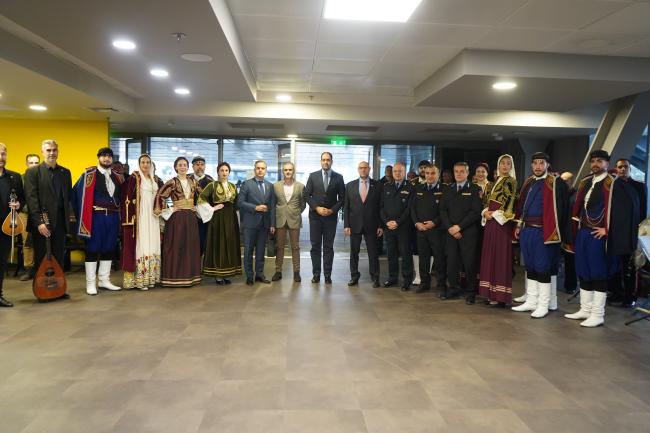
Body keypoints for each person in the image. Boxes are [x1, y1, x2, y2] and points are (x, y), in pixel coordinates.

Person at [565, 150, 639, 327]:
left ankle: (598, 315)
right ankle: (585, 309)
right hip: (583, 232)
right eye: (593, 161)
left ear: (607, 163)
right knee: (583, 270)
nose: (595, 164)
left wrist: (608, 230)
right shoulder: (586, 181)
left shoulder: (614, 184)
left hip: (598, 236)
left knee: (598, 273)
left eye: (600, 161)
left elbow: (625, 213)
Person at [512, 152, 568, 318]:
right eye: (535, 163)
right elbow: (522, 205)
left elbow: (563, 210)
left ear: (547, 165)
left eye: (541, 163)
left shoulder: (556, 182)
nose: (538, 166)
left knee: (543, 267)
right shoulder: (529, 181)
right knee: (530, 266)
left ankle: (544, 304)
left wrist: (556, 232)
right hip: (527, 229)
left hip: (544, 231)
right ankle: (531, 301)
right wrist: (519, 224)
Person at [24, 139, 72, 301]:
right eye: (48, 150)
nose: (52, 153)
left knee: (58, 258)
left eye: (54, 150)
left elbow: (67, 199)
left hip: (60, 223)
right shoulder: (33, 172)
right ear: (43, 152)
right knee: (41, 258)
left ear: (58, 151)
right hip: (42, 224)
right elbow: (32, 200)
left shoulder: (65, 172)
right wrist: (39, 222)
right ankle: (42, 292)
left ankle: (58, 290)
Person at [71, 147, 123, 295]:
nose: (106, 158)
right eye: (103, 156)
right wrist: (82, 216)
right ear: (98, 157)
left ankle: (104, 281)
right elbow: (75, 195)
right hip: (96, 217)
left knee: (109, 248)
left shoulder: (118, 177)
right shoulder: (89, 174)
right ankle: (90, 283)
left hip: (113, 217)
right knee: (92, 249)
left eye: (109, 156)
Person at [154, 156, 202, 287]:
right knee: (176, 245)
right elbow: (160, 196)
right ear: (175, 167)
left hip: (190, 217)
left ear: (188, 167)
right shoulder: (172, 182)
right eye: (180, 165)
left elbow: (203, 196)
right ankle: (173, 277)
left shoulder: (194, 182)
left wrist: (197, 207)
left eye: (184, 165)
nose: (182, 167)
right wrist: (170, 209)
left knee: (190, 246)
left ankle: (190, 277)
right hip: (177, 218)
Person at [440, 162, 482, 304]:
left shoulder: (475, 189)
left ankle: (471, 292)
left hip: (468, 233)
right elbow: (442, 210)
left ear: (467, 173)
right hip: (451, 232)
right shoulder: (448, 189)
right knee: (452, 262)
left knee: (469, 263)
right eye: (456, 171)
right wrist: (450, 228)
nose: (458, 174)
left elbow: (475, 212)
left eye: (461, 171)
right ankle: (453, 288)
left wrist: (459, 227)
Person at [478, 155, 517, 306]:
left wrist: (493, 214)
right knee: (490, 256)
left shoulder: (511, 182)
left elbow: (511, 204)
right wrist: (485, 212)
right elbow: (486, 201)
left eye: (508, 164)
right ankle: (490, 294)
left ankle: (500, 296)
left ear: (511, 166)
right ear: (498, 165)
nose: (505, 166)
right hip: (490, 222)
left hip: (501, 224)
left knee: (500, 258)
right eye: (502, 163)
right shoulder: (494, 182)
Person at [121, 154, 163, 290]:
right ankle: (139, 280)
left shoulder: (155, 179)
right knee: (142, 244)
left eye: (148, 162)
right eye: (143, 162)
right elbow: (126, 198)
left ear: (151, 164)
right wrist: (129, 218)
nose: (145, 165)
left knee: (152, 243)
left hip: (153, 217)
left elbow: (161, 197)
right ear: (139, 164)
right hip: (141, 216)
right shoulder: (134, 178)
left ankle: (150, 278)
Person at [303, 152, 345, 284]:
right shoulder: (313, 176)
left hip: (330, 218)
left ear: (331, 161)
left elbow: (342, 199)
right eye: (323, 160)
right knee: (315, 246)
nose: (325, 162)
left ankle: (327, 275)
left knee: (328, 247)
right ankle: (316, 274)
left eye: (328, 160)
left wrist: (332, 210)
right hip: (315, 217)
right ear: (320, 161)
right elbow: (306, 195)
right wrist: (316, 208)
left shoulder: (339, 177)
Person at [197, 161, 242, 284]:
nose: (224, 173)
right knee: (218, 244)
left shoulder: (233, 186)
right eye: (222, 170)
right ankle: (218, 275)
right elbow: (201, 199)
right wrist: (212, 208)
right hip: (217, 219)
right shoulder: (212, 185)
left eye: (226, 170)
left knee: (229, 243)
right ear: (218, 172)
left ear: (229, 172)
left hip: (230, 218)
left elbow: (237, 203)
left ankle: (227, 274)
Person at [612, 158, 647, 307]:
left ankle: (630, 296)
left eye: (625, 167)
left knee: (630, 267)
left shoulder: (639, 186)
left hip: (631, 233)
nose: (622, 169)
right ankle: (616, 293)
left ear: (630, 169)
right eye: (620, 167)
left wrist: (639, 232)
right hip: (615, 233)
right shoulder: (612, 185)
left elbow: (643, 211)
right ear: (616, 169)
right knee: (615, 266)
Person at [344, 161, 383, 288]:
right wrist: (346, 225)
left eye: (365, 168)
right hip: (354, 225)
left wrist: (380, 225)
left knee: (373, 253)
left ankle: (375, 277)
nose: (363, 170)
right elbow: (346, 207)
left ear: (369, 169)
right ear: (358, 169)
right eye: (361, 168)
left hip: (372, 225)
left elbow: (381, 207)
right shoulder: (350, 185)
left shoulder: (378, 185)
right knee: (354, 253)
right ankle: (354, 276)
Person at [238, 160, 276, 285]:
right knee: (248, 251)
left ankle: (259, 274)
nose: (260, 170)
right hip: (250, 223)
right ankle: (249, 276)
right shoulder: (246, 184)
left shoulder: (270, 186)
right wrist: (255, 207)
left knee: (261, 251)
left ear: (266, 170)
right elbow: (240, 203)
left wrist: (272, 224)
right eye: (258, 168)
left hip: (264, 224)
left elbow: (272, 206)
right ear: (254, 170)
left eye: (263, 168)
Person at [410, 163, 446, 294]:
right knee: (423, 258)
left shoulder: (444, 189)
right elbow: (412, 208)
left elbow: (446, 211)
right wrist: (417, 223)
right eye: (427, 173)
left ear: (438, 174)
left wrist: (434, 223)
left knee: (439, 258)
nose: (430, 176)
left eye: (433, 173)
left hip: (437, 230)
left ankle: (441, 284)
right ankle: (424, 283)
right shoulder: (418, 188)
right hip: (421, 230)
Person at [381, 162, 414, 291]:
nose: (397, 173)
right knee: (391, 254)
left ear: (404, 172)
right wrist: (386, 222)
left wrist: (398, 222)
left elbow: (409, 209)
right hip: (389, 227)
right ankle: (392, 278)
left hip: (403, 227)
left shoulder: (410, 187)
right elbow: (381, 207)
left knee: (405, 254)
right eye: (395, 171)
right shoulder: (386, 187)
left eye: (400, 171)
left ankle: (407, 280)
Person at [0, 143, 25, 307]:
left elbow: (22, 198)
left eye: (3, 154)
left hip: (6, 225)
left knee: (1, 262)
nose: (1, 157)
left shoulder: (14, 177)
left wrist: (18, 205)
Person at [272, 162, 305, 282]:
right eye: (286, 170)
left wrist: (296, 212)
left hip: (294, 219)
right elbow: (273, 203)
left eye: (290, 170)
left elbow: (303, 204)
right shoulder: (276, 186)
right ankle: (278, 271)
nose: (288, 172)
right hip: (280, 219)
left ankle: (296, 272)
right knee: (279, 246)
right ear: (283, 171)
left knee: (295, 247)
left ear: (293, 171)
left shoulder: (300, 186)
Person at [18, 154, 40, 281]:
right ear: (26, 164)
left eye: (36, 162)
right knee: (27, 242)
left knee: (42, 241)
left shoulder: (44, 177)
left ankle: (41, 268)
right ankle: (29, 269)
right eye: (31, 163)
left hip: (40, 213)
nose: (33, 165)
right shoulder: (20, 178)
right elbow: (19, 197)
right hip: (25, 213)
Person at [189, 155, 214, 256]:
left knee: (203, 240)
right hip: (190, 214)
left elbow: (213, 200)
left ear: (205, 166)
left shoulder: (210, 181)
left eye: (202, 164)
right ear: (193, 167)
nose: (199, 167)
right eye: (197, 164)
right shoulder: (187, 178)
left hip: (204, 217)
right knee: (190, 240)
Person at [410, 160, 429, 286]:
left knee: (430, 251)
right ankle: (418, 275)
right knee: (416, 249)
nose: (423, 170)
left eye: (425, 167)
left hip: (431, 222)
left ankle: (426, 275)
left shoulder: (436, 182)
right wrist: (416, 221)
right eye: (421, 168)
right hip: (415, 222)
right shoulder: (412, 183)